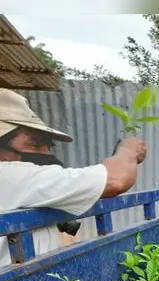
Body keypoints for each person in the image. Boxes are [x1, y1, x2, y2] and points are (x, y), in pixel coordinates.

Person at [0, 89, 147, 267]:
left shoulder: (28, 188)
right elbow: (116, 180)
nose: (47, 154)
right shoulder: (11, 176)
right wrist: (128, 149)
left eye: (48, 146)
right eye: (35, 144)